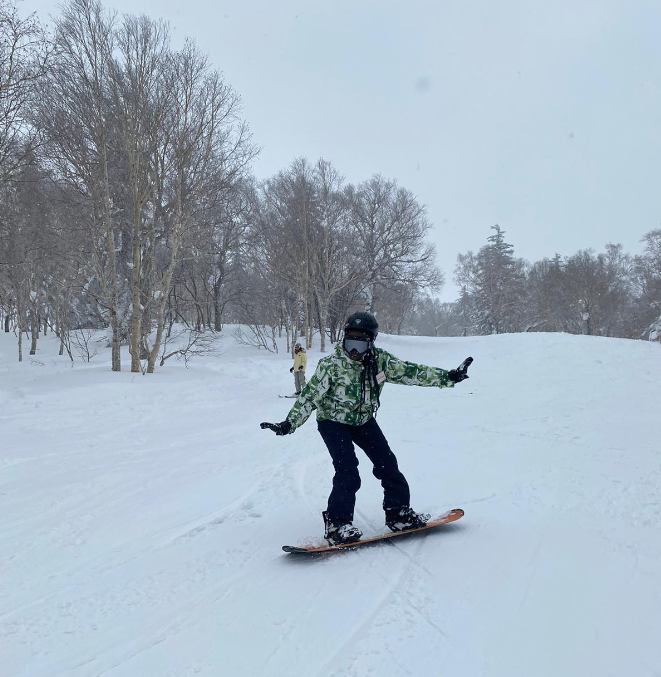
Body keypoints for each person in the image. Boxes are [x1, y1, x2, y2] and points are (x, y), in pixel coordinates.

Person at [261, 311, 473, 545]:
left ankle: (398, 513)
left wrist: (449, 377)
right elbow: (309, 397)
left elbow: (411, 372)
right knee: (347, 469)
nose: (354, 351)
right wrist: (289, 423)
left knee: (387, 464)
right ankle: (337, 524)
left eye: (360, 344)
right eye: (350, 342)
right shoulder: (331, 365)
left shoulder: (381, 361)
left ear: (370, 342)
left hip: (363, 420)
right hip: (332, 421)